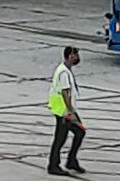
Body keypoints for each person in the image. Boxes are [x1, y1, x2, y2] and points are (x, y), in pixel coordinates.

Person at [47, 46, 86, 176]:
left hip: (65, 109)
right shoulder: (63, 72)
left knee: (79, 132)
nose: (78, 58)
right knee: (61, 138)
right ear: (70, 56)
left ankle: (71, 161)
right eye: (76, 55)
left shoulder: (65, 69)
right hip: (63, 111)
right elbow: (65, 92)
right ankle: (53, 165)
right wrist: (70, 112)